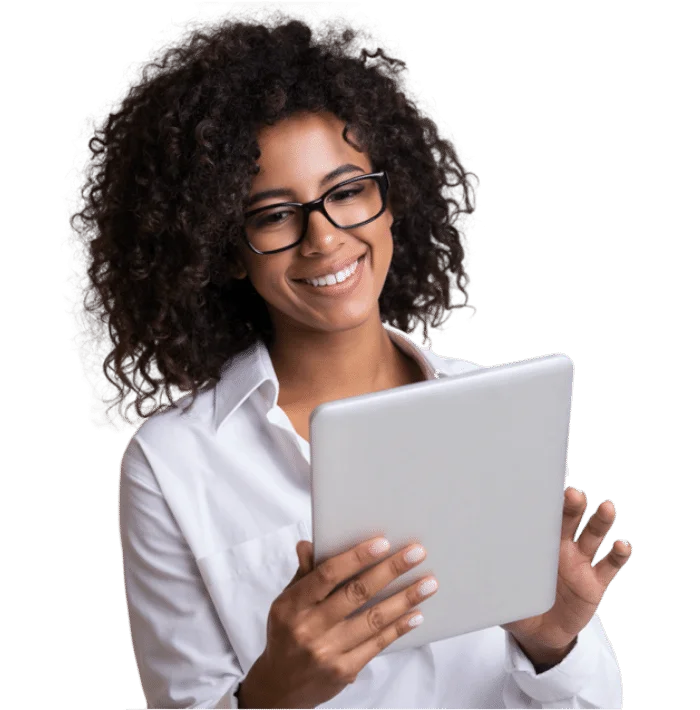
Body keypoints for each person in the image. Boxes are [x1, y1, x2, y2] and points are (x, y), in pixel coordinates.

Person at [99, 23, 630, 709]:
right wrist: (272, 694)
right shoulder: (172, 465)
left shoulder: (495, 413)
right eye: (273, 214)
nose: (324, 238)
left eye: (346, 193)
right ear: (226, 248)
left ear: (390, 202)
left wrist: (554, 644)